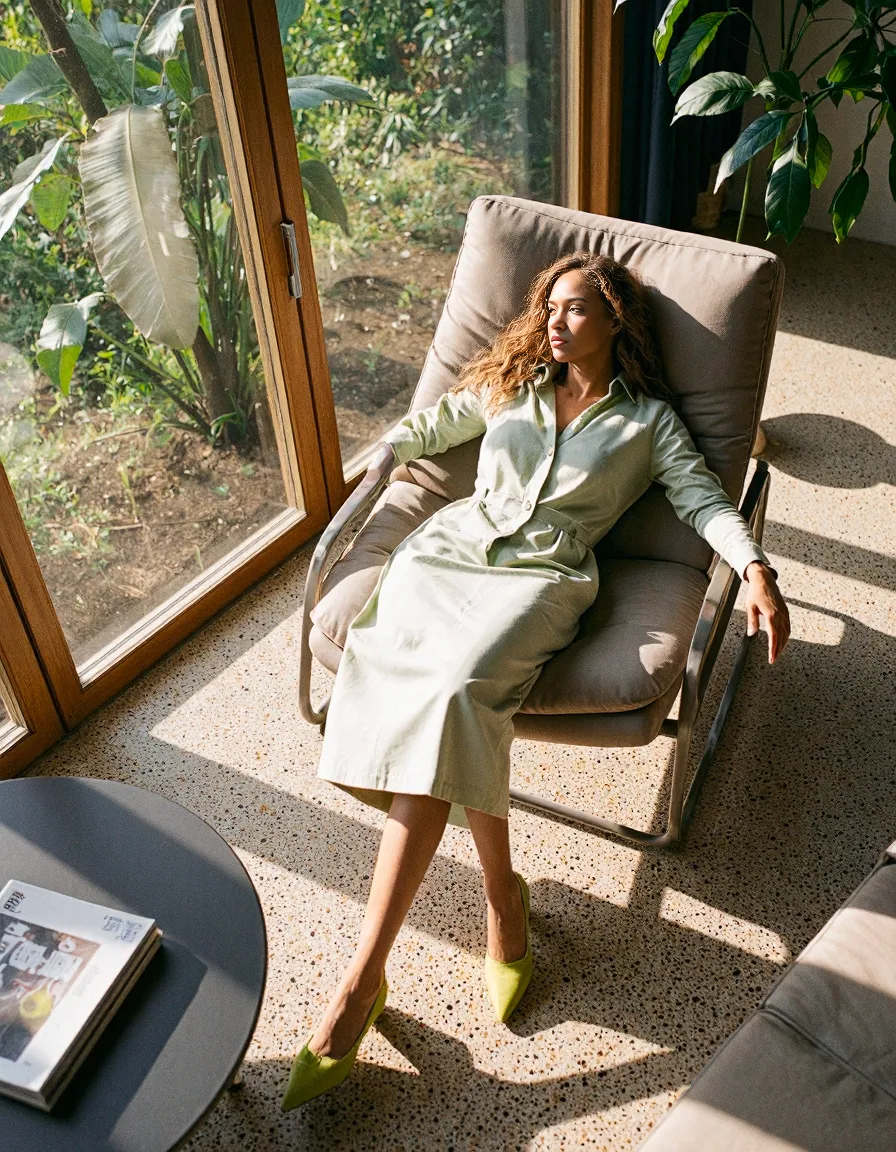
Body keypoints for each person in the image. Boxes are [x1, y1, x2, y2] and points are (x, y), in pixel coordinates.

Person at [282, 252, 790, 1111]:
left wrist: (756, 570)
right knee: (429, 690)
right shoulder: (510, 384)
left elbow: (705, 501)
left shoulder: (650, 425)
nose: (556, 322)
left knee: (455, 695)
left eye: (576, 309)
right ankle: (501, 897)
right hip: (448, 553)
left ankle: (361, 981)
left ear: (615, 319)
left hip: (544, 579)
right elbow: (433, 425)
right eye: (549, 306)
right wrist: (375, 460)